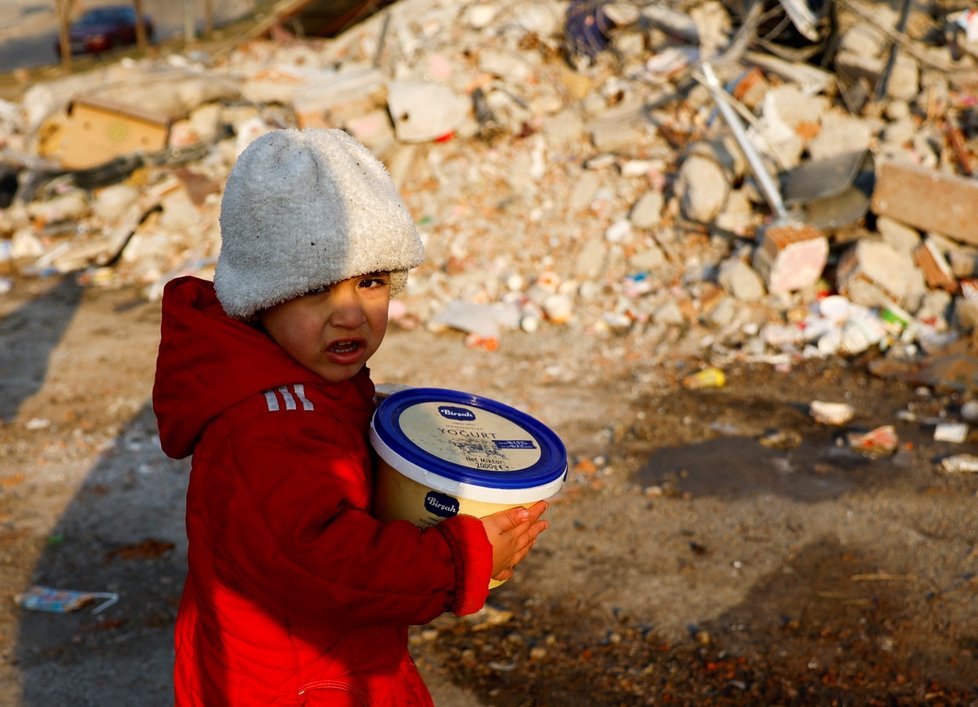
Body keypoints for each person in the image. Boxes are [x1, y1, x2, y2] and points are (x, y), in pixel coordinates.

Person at [152, 128, 550, 706]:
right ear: (263, 298)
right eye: (316, 289)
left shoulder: (305, 382)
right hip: (293, 686)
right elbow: (324, 565)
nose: (349, 315)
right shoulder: (263, 430)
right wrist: (460, 558)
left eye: (370, 282)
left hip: (326, 664)